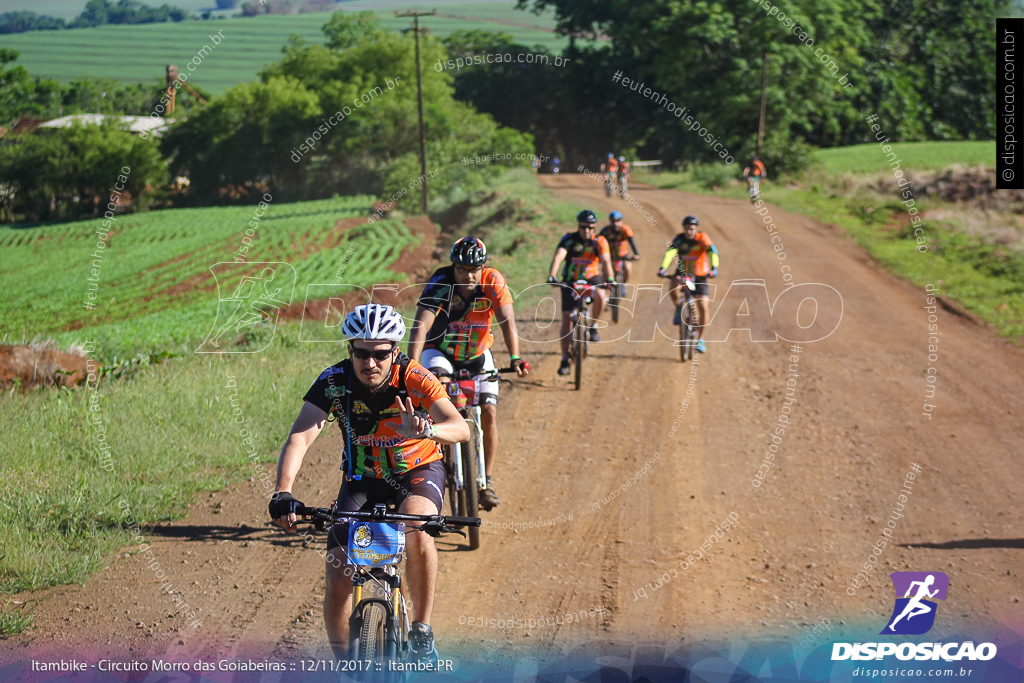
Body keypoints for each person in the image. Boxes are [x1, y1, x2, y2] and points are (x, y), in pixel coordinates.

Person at [268, 304, 470, 664]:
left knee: (417, 528)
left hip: (416, 472)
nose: (370, 363)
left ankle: (422, 629)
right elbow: (300, 437)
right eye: (361, 352)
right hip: (362, 478)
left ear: (394, 351)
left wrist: (428, 429)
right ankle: (346, 663)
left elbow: (461, 427)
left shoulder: (415, 377)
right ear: (350, 351)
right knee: (337, 571)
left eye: (380, 354)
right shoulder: (333, 381)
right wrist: (283, 491)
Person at [408, 237, 530, 511]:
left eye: (474, 269)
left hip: (477, 354)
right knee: (441, 401)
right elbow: (420, 328)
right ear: (453, 267)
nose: (468, 275)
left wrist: (515, 357)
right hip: (439, 352)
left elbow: (507, 323)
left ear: (483, 267)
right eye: (462, 269)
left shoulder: (493, 281)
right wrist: (412, 369)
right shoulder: (440, 282)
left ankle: (485, 480)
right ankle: (437, 461)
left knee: (489, 411)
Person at [547, 210, 615, 375]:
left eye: (591, 227)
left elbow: (606, 261)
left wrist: (610, 278)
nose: (587, 231)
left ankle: (593, 326)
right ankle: (564, 358)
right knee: (567, 319)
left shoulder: (600, 241)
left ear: (595, 227)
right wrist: (552, 275)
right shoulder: (569, 239)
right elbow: (559, 257)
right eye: (584, 227)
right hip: (571, 279)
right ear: (579, 226)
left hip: (592, 277)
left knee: (601, 296)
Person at [657, 215, 719, 354]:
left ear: (696, 228)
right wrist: (663, 268)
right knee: (673, 288)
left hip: (700, 274)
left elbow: (713, 252)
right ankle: (679, 308)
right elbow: (670, 253)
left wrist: (714, 268)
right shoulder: (679, 239)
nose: (689, 231)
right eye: (686, 228)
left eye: (691, 229)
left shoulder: (703, 238)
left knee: (703, 305)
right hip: (683, 272)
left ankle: (700, 339)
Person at [599, 211, 640, 284]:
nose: (615, 223)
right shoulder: (605, 231)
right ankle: (607, 286)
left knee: (628, 268)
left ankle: (624, 284)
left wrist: (636, 254)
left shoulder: (625, 230)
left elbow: (632, 243)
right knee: (605, 270)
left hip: (623, 256)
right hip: (610, 256)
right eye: (613, 221)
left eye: (618, 221)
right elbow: (598, 242)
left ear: (621, 221)